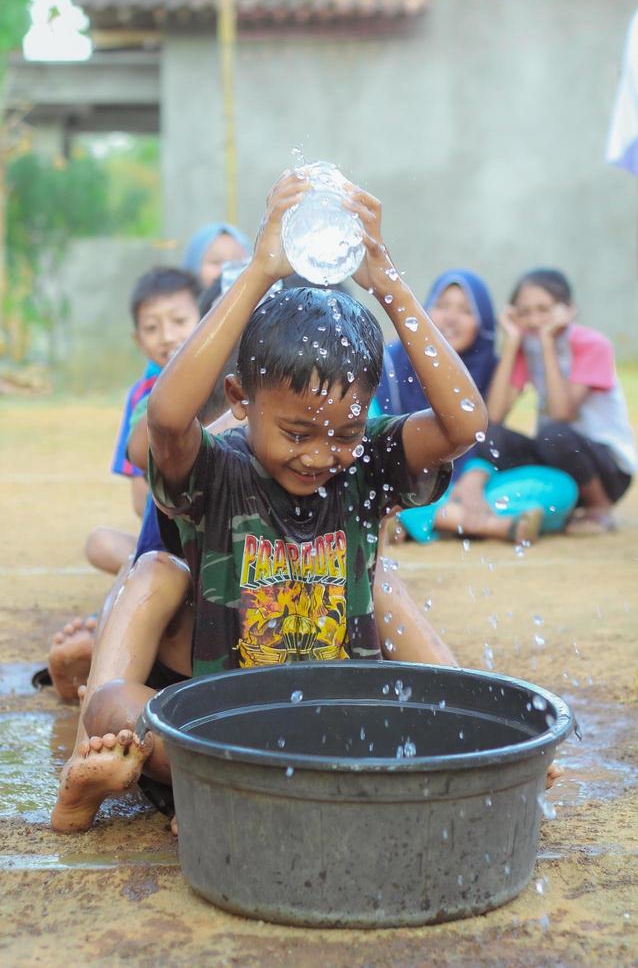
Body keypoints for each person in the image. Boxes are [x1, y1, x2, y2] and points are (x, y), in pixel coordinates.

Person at [50, 171, 486, 832]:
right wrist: (257, 270)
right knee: (111, 709)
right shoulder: (221, 471)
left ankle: (479, 731)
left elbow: (463, 428)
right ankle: (105, 783)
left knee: (385, 589)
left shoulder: (366, 461)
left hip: (337, 731)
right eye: (295, 432)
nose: (319, 455)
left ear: (365, 416)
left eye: (341, 432)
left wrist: (390, 285)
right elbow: (166, 421)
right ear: (238, 401)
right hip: (226, 734)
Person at [47, 267, 202, 698]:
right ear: (137, 340)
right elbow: (142, 500)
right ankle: (96, 656)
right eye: (152, 328)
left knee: (139, 568)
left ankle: (99, 644)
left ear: (208, 319)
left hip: (212, 541)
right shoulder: (144, 397)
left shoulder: (223, 382)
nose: (167, 336)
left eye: (178, 321)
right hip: (165, 535)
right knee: (133, 563)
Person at [375, 269, 571, 545]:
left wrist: (474, 479)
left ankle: (424, 519)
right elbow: (373, 437)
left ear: (483, 323)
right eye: (442, 306)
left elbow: (490, 428)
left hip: (470, 487)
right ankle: (481, 523)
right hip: (401, 484)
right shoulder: (392, 363)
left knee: (561, 487)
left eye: (466, 311)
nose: (451, 318)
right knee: (382, 492)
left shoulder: (494, 369)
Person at [476, 268, 636, 533]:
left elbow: (562, 412)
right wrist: (512, 342)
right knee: (491, 437)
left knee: (555, 434)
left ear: (568, 310)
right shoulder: (525, 347)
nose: (534, 320)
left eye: (544, 309)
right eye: (524, 312)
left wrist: (548, 342)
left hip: (607, 470)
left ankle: (600, 509)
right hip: (558, 455)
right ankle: (551, 507)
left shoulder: (594, 345)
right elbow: (494, 415)